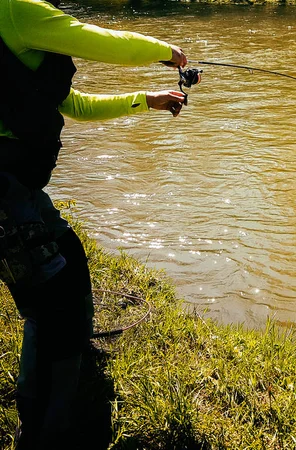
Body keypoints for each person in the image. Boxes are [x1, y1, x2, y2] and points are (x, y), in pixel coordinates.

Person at [0, 0, 190, 447]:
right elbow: (106, 43)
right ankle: (46, 425)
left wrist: (148, 99)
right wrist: (168, 52)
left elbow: (75, 106)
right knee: (54, 305)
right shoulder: (16, 10)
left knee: (70, 259)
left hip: (20, 189)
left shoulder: (22, 32)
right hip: (6, 193)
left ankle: (68, 369)